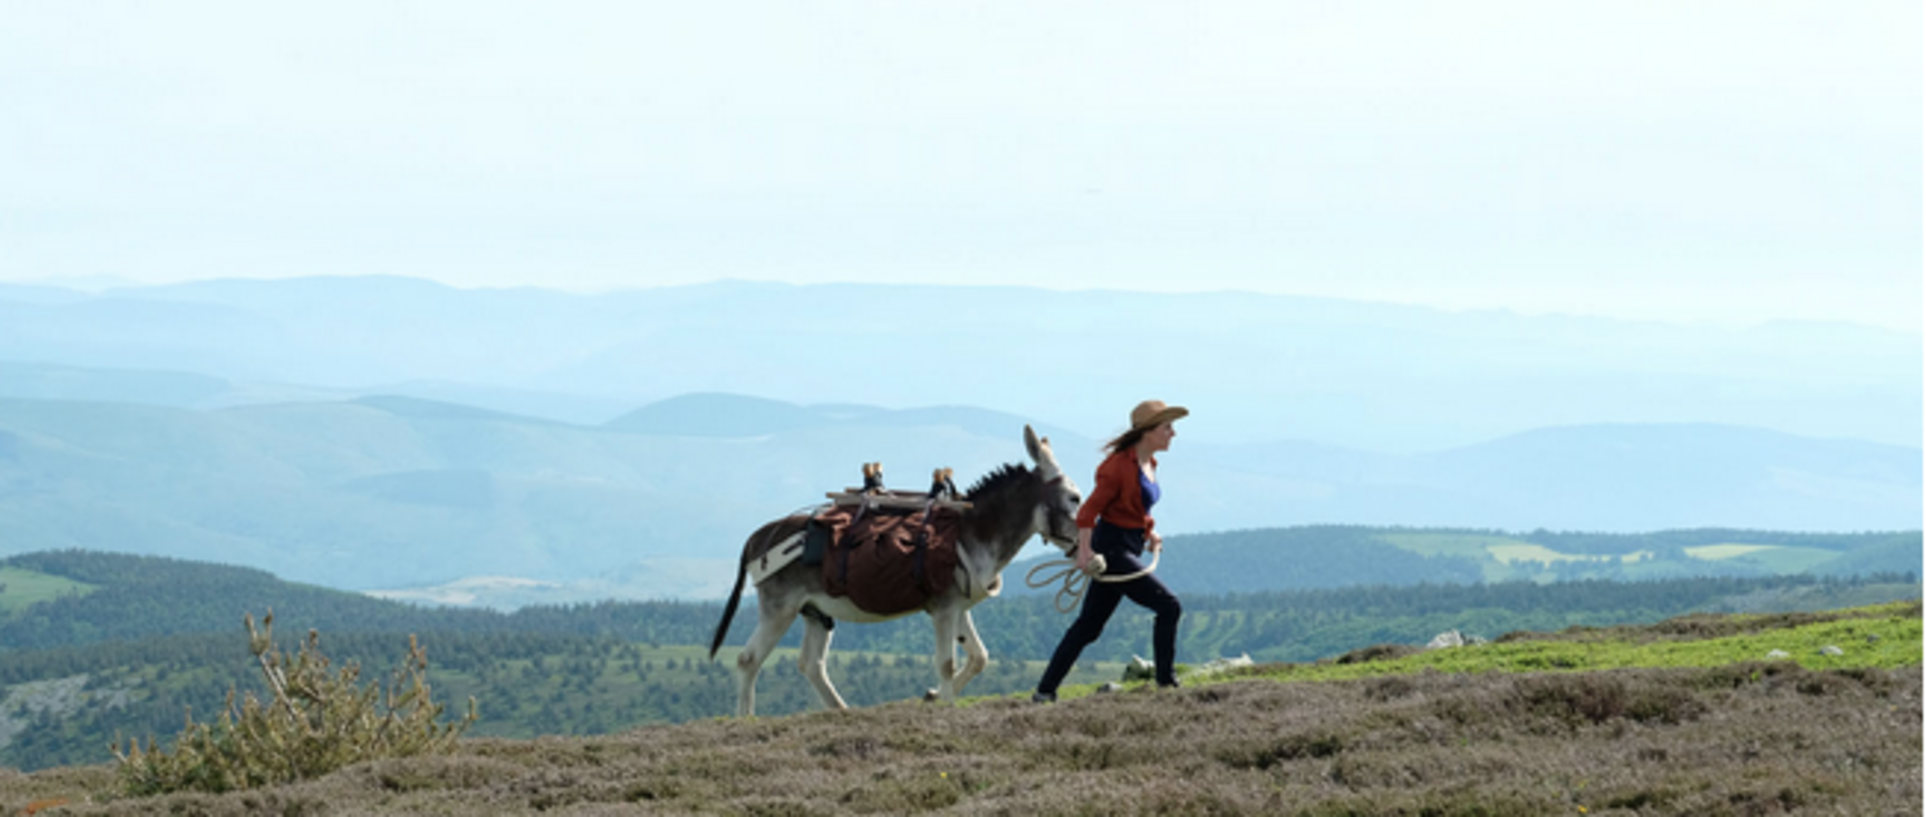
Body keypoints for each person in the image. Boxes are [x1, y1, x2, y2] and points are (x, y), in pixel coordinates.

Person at [1033, 399, 1187, 702]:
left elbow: (1136, 508)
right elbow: (1088, 513)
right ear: (1148, 431)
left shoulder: (1149, 463)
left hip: (1128, 545)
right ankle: (1166, 685)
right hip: (1112, 549)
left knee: (1089, 627)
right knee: (1169, 606)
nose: (1173, 433)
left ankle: (1044, 692)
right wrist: (1085, 553)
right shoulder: (1116, 467)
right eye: (1167, 427)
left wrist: (1149, 532)